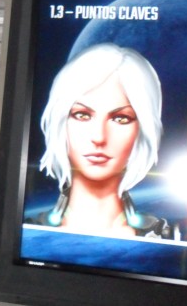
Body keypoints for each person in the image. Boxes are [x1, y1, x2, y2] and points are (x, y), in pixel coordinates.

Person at [33, 43, 177, 240]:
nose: (99, 137)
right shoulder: (31, 230)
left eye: (120, 119)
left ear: (142, 129)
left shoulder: (162, 237)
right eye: (82, 115)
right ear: (60, 120)